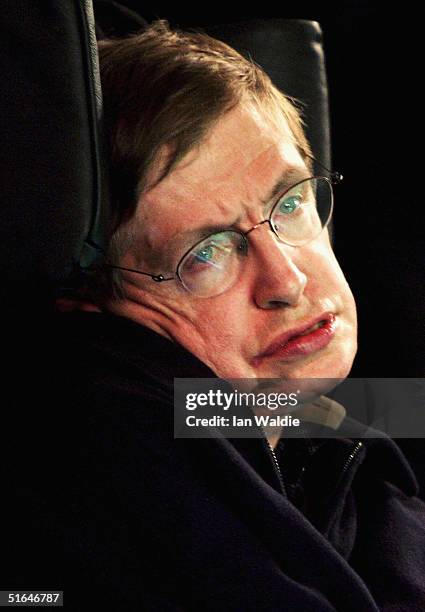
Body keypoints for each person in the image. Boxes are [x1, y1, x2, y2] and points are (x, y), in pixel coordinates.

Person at [6, 20, 425, 610]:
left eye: (291, 202)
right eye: (204, 254)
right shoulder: (105, 457)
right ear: (89, 298)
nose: (287, 281)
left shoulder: (340, 432)